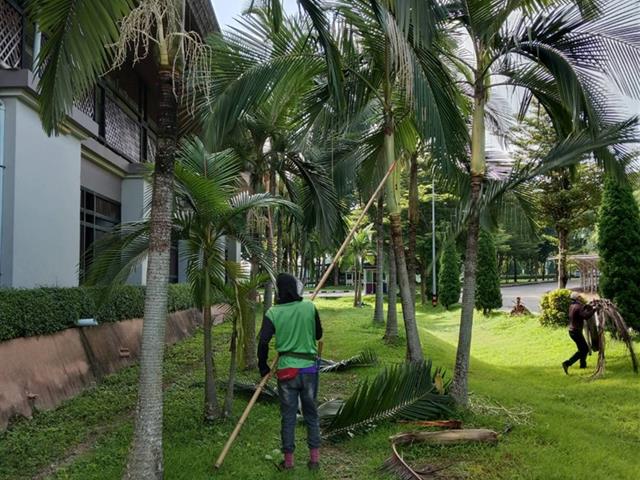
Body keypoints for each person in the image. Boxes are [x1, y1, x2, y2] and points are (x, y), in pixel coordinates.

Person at [258, 273, 323, 471]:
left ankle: (288, 463)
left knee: (288, 417)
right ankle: (314, 460)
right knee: (311, 415)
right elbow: (319, 334)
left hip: (287, 371)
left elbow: (263, 342)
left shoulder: (273, 313)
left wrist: (263, 367)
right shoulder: (309, 307)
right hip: (309, 369)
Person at [562, 292, 595, 374]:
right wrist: (594, 310)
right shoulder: (578, 306)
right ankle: (567, 363)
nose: (581, 298)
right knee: (585, 349)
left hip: (571, 331)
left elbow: (581, 310)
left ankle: (583, 365)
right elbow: (585, 316)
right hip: (576, 332)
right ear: (577, 298)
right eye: (579, 297)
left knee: (582, 349)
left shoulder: (571, 306)